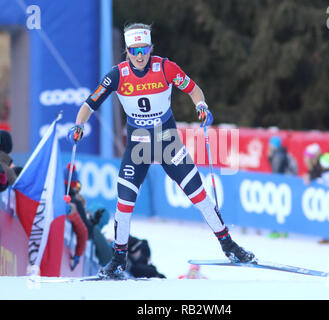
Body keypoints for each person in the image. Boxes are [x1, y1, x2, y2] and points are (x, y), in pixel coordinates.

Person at [68, 23, 256, 279]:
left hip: (167, 141)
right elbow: (89, 103)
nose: (139, 55)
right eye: (134, 50)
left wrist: (201, 106)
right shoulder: (117, 75)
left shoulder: (165, 67)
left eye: (143, 49)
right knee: (123, 204)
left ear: (150, 47)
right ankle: (119, 259)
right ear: (126, 50)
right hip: (138, 145)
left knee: (200, 196)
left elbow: (193, 89)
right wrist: (79, 125)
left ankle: (230, 246)